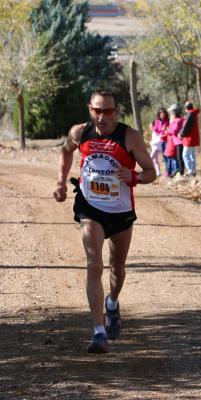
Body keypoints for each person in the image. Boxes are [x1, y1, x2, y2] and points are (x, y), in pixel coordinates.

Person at [53, 90, 157, 354]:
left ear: (116, 111)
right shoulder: (80, 132)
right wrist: (61, 183)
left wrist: (133, 177)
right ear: (90, 109)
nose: (102, 117)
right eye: (97, 110)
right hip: (90, 206)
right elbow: (66, 152)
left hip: (120, 210)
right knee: (94, 263)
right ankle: (98, 331)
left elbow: (151, 172)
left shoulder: (129, 136)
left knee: (117, 267)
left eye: (107, 111)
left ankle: (112, 303)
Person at [178, 101, 200, 176]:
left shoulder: (190, 114)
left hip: (189, 138)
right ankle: (193, 170)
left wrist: (181, 134)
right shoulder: (193, 114)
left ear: (186, 108)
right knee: (191, 155)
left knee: (185, 155)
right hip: (192, 138)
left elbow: (186, 126)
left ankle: (190, 171)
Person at [166, 103, 185, 177]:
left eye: (172, 112)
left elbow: (174, 131)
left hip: (179, 142)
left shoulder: (177, 120)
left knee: (180, 158)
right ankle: (179, 171)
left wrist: (168, 130)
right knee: (178, 157)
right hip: (176, 142)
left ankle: (181, 172)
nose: (171, 114)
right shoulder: (177, 120)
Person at [150, 107, 169, 177]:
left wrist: (162, 131)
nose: (162, 114)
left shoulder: (167, 121)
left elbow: (166, 130)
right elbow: (155, 130)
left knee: (165, 157)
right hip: (156, 142)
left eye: (163, 113)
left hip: (164, 141)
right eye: (161, 113)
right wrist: (160, 131)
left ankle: (167, 171)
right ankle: (158, 172)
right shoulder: (157, 121)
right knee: (154, 158)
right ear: (159, 114)